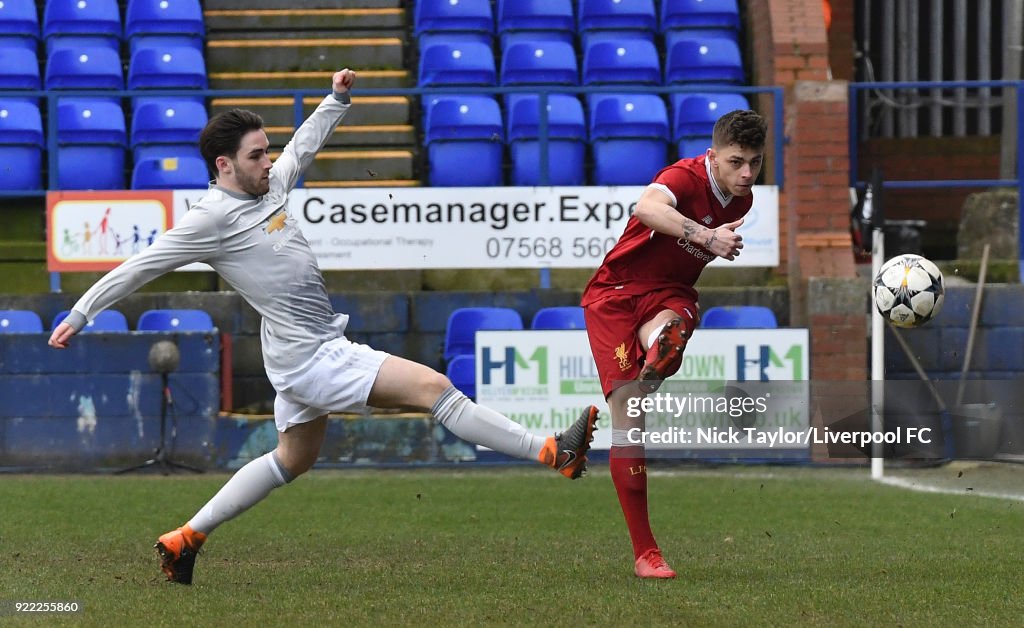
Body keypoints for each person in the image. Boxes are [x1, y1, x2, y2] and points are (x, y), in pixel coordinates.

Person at [48, 69, 600, 585]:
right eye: (257, 155)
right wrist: (82, 312)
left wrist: (335, 100)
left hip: (304, 349)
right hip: (310, 357)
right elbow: (142, 265)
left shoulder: (271, 186)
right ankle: (552, 451)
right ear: (223, 165)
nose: (269, 161)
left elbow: (303, 146)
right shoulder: (208, 219)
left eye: (267, 152)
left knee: (293, 459)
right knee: (434, 388)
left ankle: (185, 538)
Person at [580, 109, 767, 579]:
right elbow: (646, 208)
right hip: (615, 294)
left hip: (669, 296)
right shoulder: (682, 177)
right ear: (713, 155)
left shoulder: (741, 201)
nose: (746, 173)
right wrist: (706, 235)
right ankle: (645, 552)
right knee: (629, 420)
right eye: (736, 161)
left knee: (669, 332)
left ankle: (662, 348)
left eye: (756, 162)